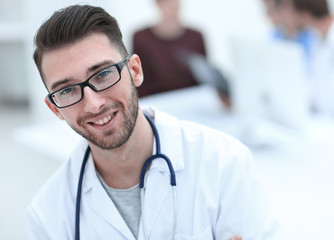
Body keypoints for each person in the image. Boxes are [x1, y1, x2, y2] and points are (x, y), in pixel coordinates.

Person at [27, 4, 279, 239]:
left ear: (135, 71)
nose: (93, 104)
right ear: (54, 108)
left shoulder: (224, 165)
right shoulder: (48, 216)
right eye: (67, 91)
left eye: (103, 74)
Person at [132, 0, 207, 97]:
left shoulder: (196, 36)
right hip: (157, 101)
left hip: (192, 99)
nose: (173, 6)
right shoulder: (141, 38)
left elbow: (204, 76)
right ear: (158, 4)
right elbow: (138, 77)